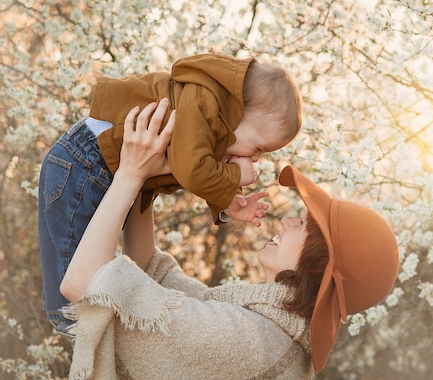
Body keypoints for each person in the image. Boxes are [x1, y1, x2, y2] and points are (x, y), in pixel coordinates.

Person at [59, 103, 399, 378]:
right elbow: (151, 273)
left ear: (318, 262)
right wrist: (158, 173)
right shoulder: (267, 331)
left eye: (306, 226)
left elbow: (86, 284)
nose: (287, 220)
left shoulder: (252, 343)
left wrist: (131, 173)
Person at [39, 53, 302, 334]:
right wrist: (236, 176)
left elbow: (198, 169)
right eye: (259, 148)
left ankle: (74, 325)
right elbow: (191, 169)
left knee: (88, 286)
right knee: (74, 304)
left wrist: (228, 203)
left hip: (101, 167)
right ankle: (69, 323)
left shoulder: (215, 121)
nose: (256, 158)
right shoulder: (203, 103)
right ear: (239, 111)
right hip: (86, 161)